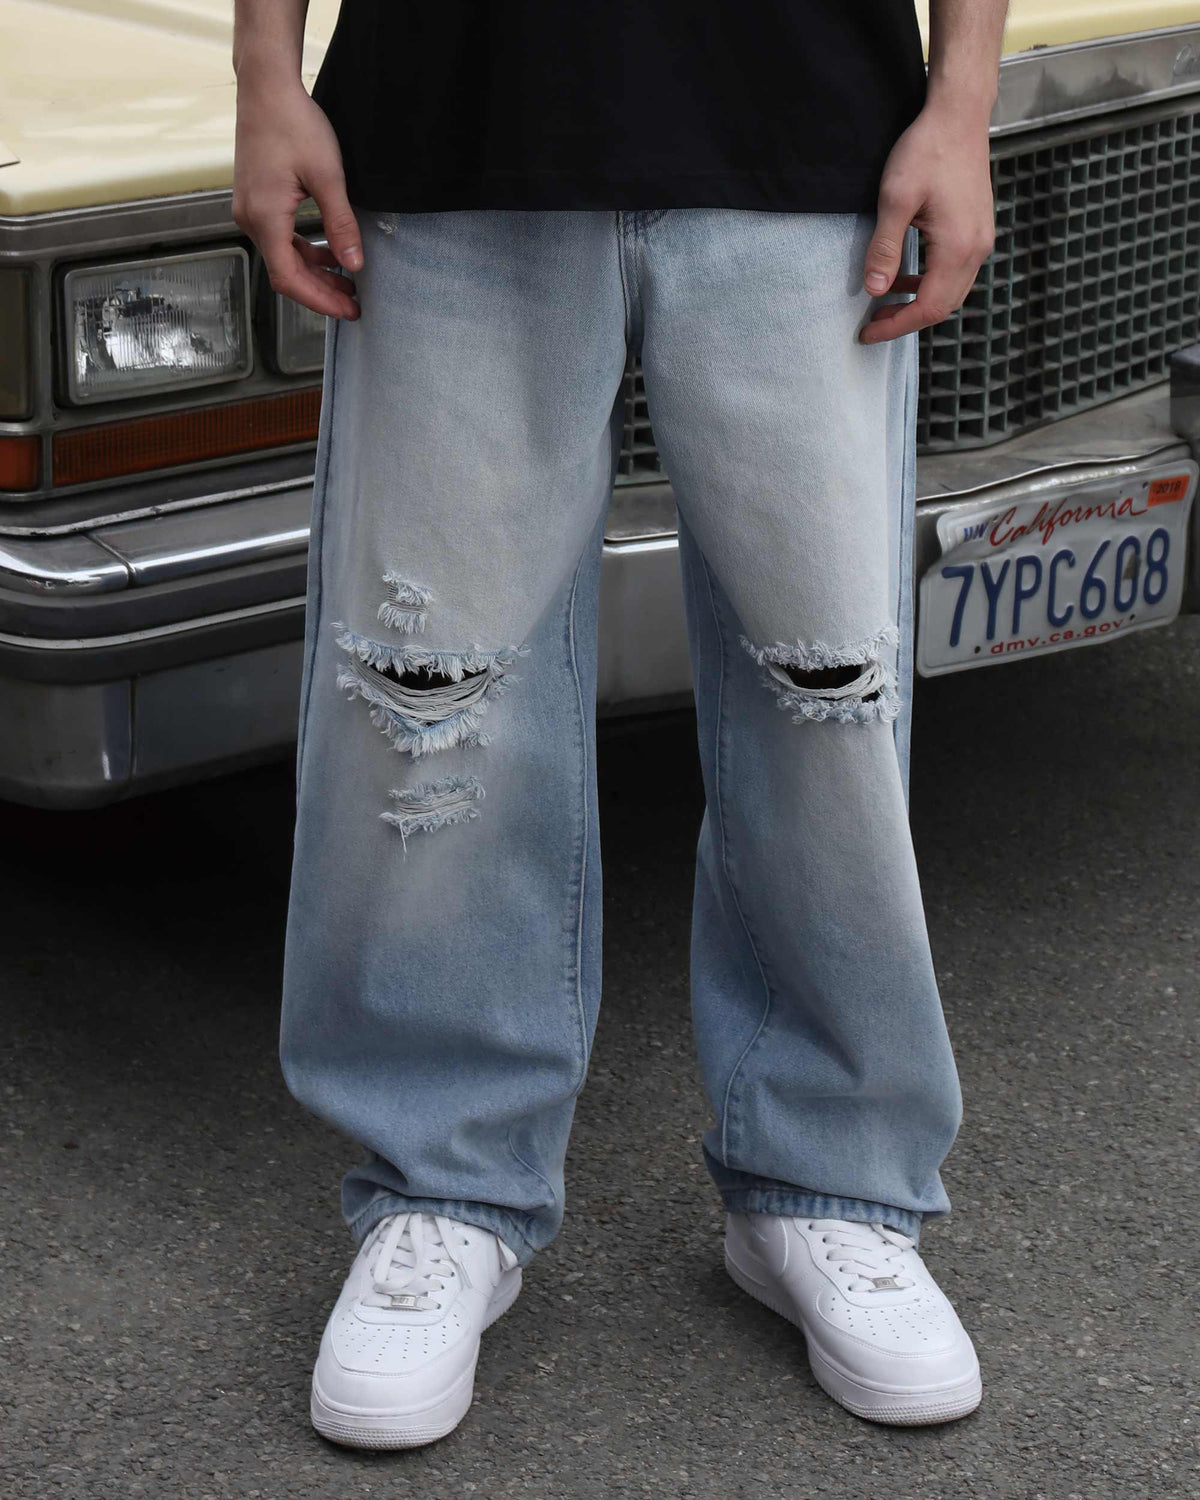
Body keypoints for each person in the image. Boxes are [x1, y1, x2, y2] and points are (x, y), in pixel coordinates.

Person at [233, 0, 1007, 1449]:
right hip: (453, 132)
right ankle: (444, 1184)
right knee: (428, 703)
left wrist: (962, 103)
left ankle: (826, 1182)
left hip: (807, 131)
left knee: (825, 693)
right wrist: (265, 77)